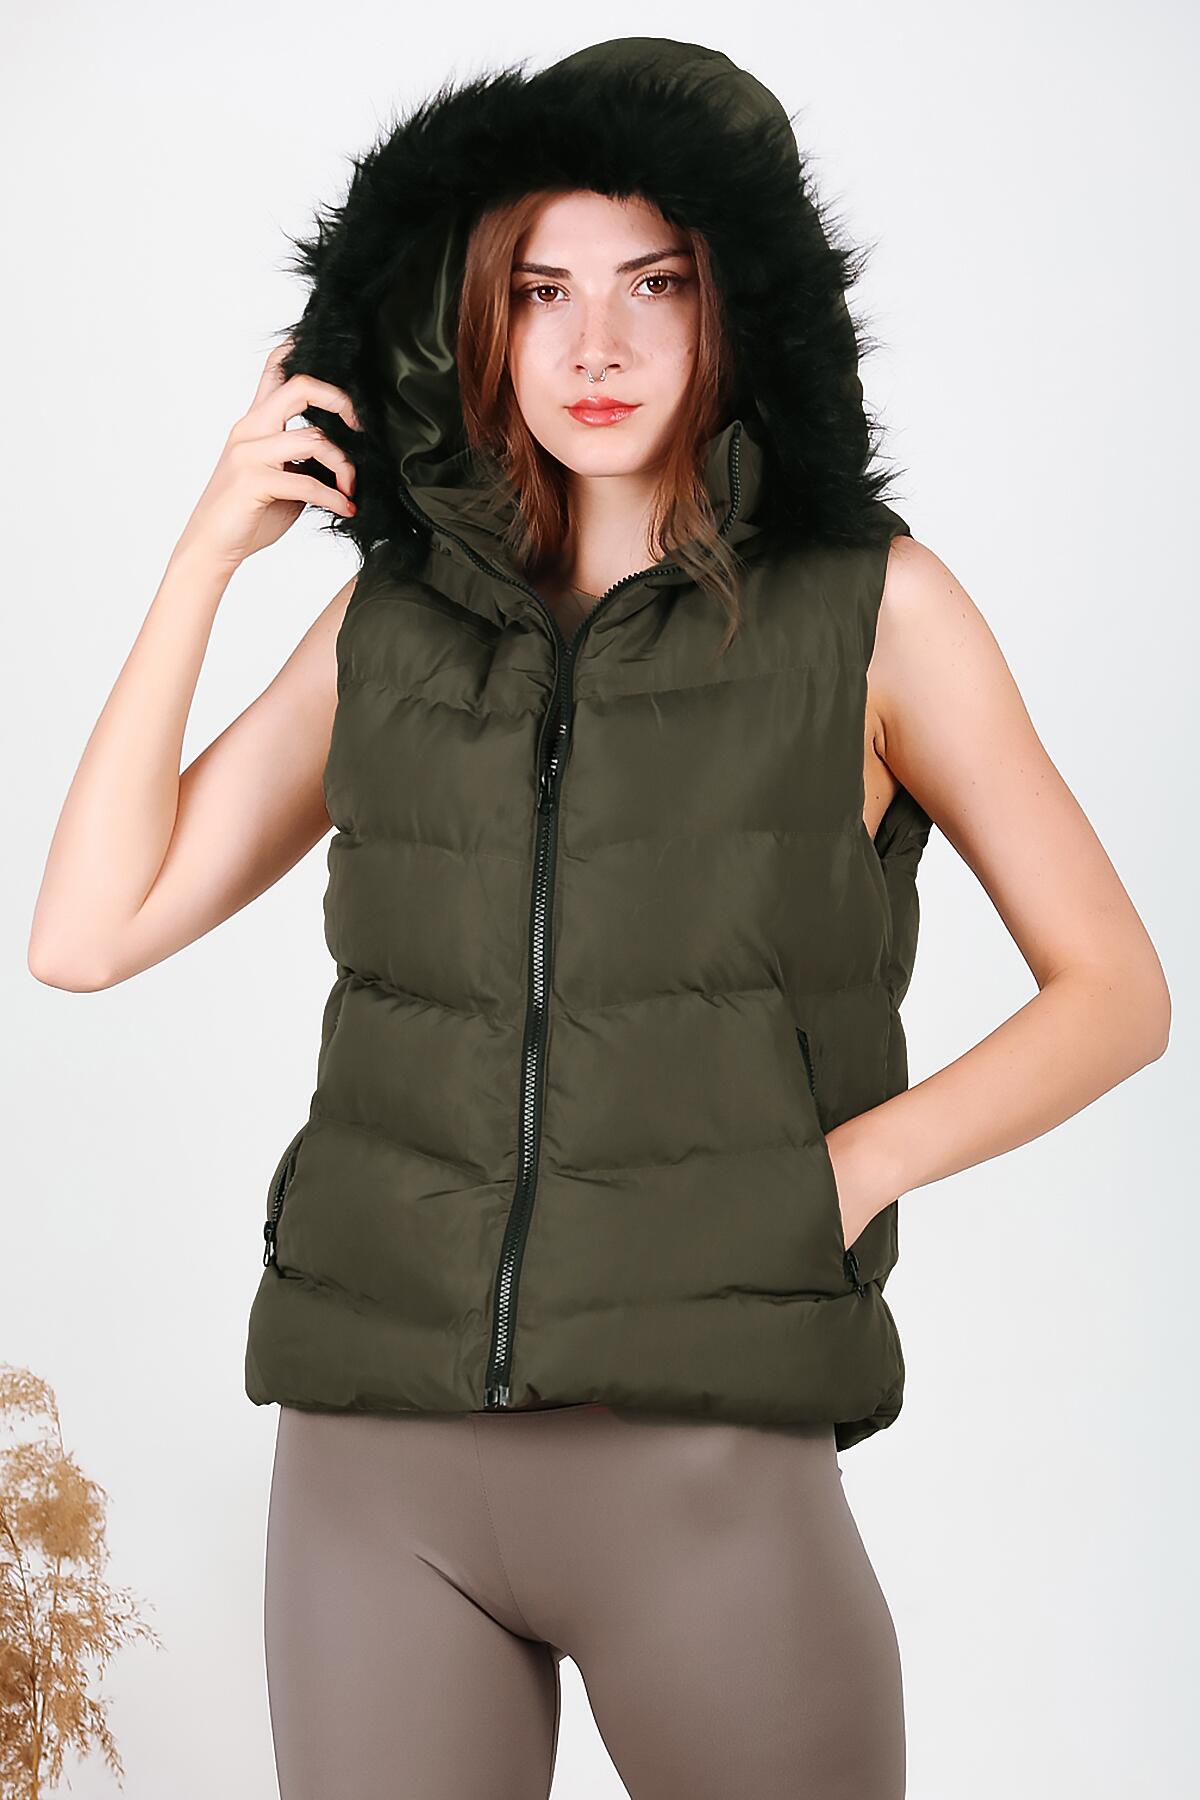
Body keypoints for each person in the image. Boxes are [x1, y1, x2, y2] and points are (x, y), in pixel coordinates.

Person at [27, 34, 1170, 1800]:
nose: (597, 348)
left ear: (740, 301)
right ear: (475, 318)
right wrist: (204, 556)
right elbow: (86, 933)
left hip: (704, 1464)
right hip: (373, 1464)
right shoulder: (394, 627)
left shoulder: (875, 611)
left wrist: (842, 1176)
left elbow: (1115, 991)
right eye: (541, 291)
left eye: (656, 283)